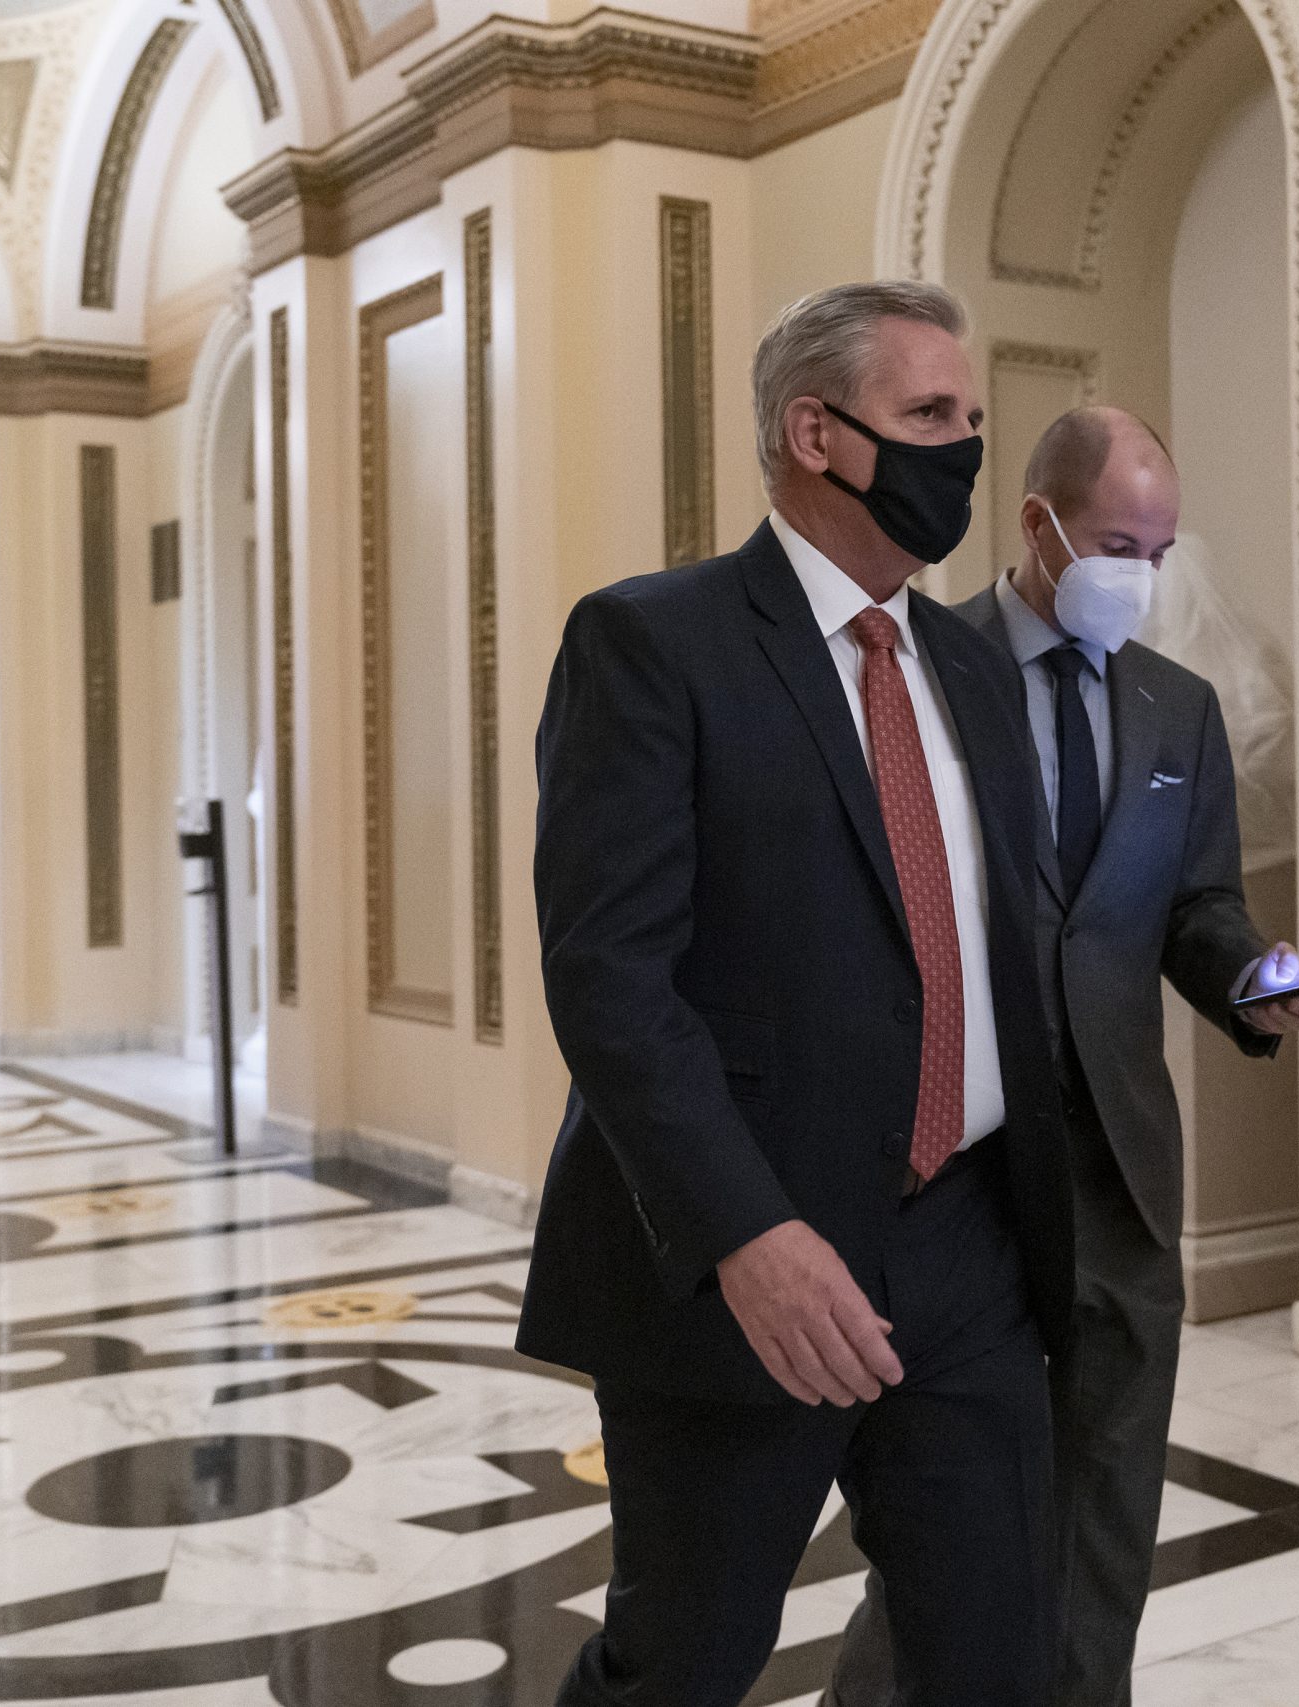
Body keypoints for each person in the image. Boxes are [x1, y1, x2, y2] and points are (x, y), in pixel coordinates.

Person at [519, 280, 1073, 1707]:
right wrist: (744, 1232)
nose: (965, 447)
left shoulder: (970, 665)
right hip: (754, 1255)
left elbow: (999, 941)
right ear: (815, 433)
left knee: (995, 1654)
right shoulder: (653, 643)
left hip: (968, 1245)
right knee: (684, 1661)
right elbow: (609, 977)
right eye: (929, 414)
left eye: (971, 415)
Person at [826, 407, 1299, 1707]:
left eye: (1161, 552)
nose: (1143, 577)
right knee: (946, 1511)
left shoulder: (1179, 708)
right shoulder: (917, 669)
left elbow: (1195, 908)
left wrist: (1253, 979)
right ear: (1038, 524)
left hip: (1116, 1170)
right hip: (958, 1169)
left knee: (1106, 1501)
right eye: (1120, 546)